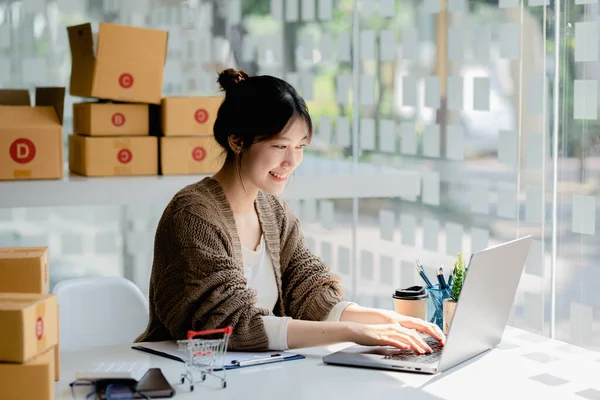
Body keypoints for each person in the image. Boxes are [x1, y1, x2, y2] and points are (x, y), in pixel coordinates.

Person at [135, 69, 446, 353]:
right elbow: (230, 325)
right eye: (280, 146)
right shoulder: (193, 216)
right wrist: (353, 331)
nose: (292, 161)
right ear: (237, 141)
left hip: (251, 377)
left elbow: (309, 292)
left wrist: (385, 320)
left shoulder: (273, 213)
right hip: (184, 379)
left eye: (300, 147)